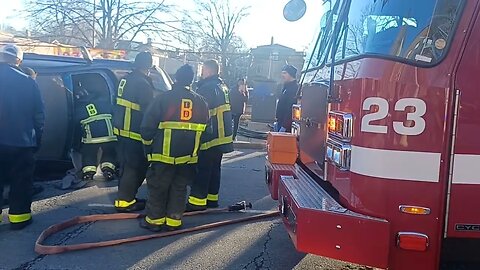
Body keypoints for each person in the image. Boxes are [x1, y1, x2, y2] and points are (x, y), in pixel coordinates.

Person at [139, 65, 209, 232]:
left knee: (158, 187)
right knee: (180, 187)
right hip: (188, 157)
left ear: (176, 78)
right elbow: (208, 131)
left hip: (163, 155)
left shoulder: (164, 99)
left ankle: (154, 222)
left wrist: (148, 149)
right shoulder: (201, 102)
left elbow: (147, 128)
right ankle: (174, 221)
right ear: (191, 81)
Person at [0, 44, 45, 230]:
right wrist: (37, 140)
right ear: (18, 60)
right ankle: (19, 219)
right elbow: (39, 116)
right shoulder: (28, 82)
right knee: (21, 181)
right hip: (22, 142)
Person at [187, 60, 234, 212]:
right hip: (221, 136)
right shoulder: (222, 86)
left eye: (203, 70)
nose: (201, 73)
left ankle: (197, 202)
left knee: (203, 169)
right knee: (214, 168)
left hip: (209, 136)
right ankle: (211, 199)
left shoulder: (207, 88)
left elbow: (199, 113)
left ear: (209, 71)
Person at [113, 52, 155, 212]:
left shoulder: (125, 80)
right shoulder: (143, 84)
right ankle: (126, 201)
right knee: (135, 167)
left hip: (122, 131)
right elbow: (149, 112)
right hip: (134, 133)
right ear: (148, 66)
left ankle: (124, 198)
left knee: (125, 166)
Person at [74, 82, 117, 182]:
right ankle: (108, 170)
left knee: (89, 154)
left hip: (91, 138)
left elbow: (76, 123)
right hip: (109, 135)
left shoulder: (80, 106)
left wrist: (76, 143)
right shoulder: (104, 101)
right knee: (109, 153)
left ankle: (88, 174)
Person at [275, 65, 299, 133]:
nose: (282, 75)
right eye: (282, 73)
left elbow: (290, 110)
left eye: (285, 73)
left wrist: (285, 126)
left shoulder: (294, 89)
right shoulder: (286, 87)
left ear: (291, 74)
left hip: (286, 126)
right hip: (280, 122)